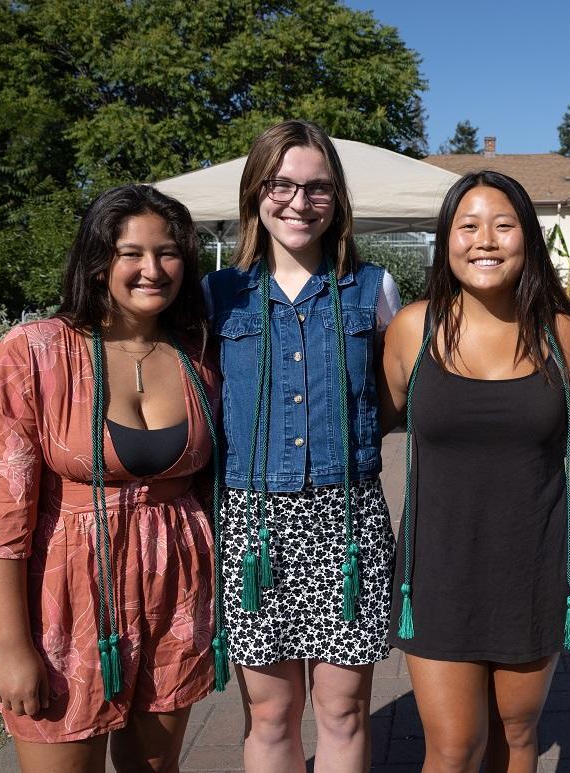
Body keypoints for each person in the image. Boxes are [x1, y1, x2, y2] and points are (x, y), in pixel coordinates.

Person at [0, 185, 220, 771]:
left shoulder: (197, 349)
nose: (152, 269)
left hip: (176, 587)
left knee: (155, 767)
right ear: (98, 264)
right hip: (65, 593)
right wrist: (12, 644)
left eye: (168, 253)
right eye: (131, 253)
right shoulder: (36, 352)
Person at [201, 119, 400, 772]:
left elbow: (392, 397)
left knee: (342, 712)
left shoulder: (374, 290)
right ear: (256, 191)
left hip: (347, 525)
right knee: (270, 714)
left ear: (336, 199)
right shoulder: (216, 297)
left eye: (317, 188)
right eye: (281, 184)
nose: (298, 200)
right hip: (256, 529)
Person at [381, 170, 570, 773]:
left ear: (527, 238)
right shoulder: (411, 330)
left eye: (504, 225)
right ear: (445, 239)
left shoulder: (562, 334)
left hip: (533, 567)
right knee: (453, 747)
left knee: (517, 737)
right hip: (438, 570)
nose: (486, 240)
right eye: (468, 225)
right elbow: (377, 422)